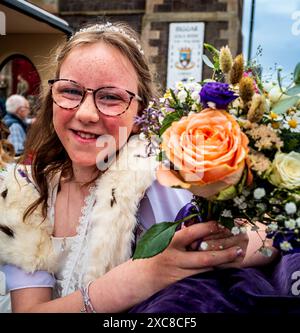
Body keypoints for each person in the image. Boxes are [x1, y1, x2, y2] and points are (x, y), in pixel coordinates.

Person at [0, 22, 284, 314]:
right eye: (70, 91)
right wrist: (141, 277)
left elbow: (267, 235)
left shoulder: (157, 178)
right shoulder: (24, 193)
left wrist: (230, 247)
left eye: (110, 97)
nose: (85, 113)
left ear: (141, 112)